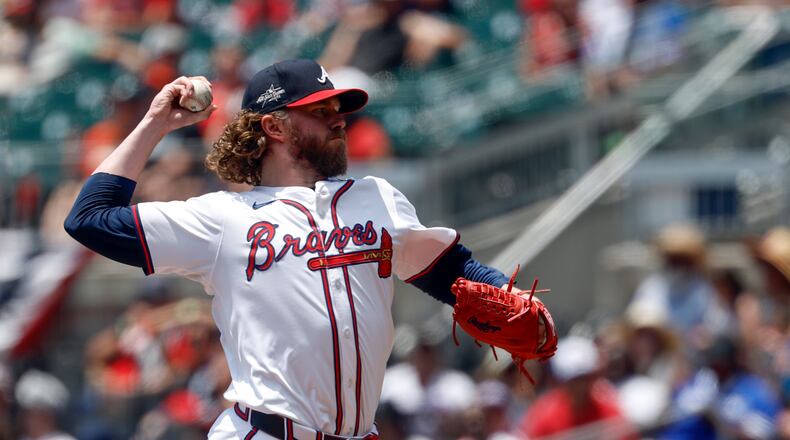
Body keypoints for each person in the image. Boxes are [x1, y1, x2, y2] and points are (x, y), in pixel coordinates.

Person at [64, 59, 543, 439]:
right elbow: (89, 220)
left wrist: (508, 293)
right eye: (320, 111)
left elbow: (453, 273)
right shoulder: (223, 219)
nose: (339, 121)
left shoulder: (376, 198)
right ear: (274, 127)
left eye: (338, 110)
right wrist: (153, 124)